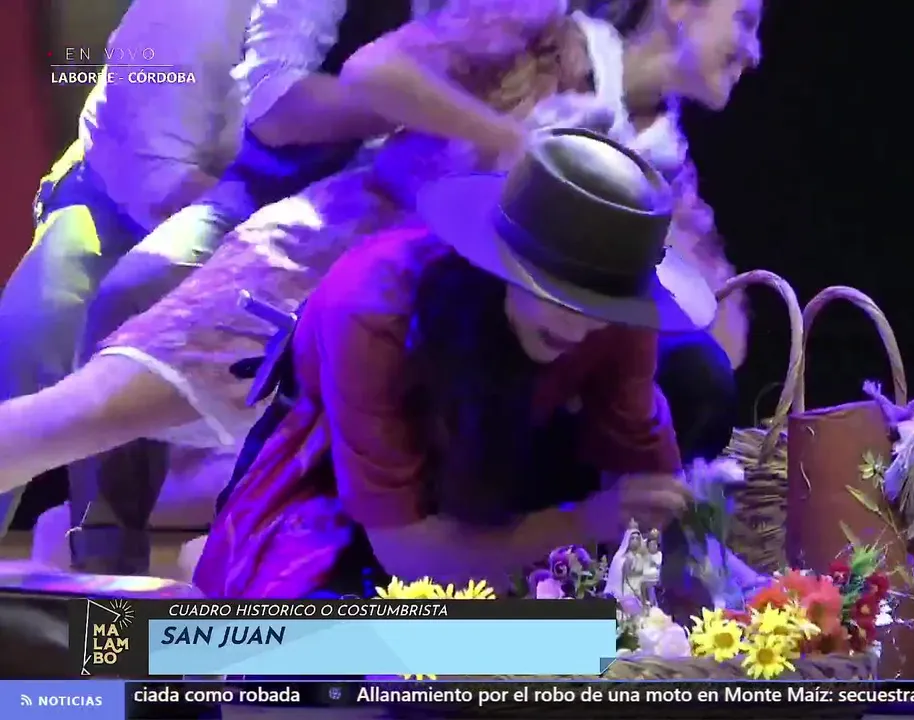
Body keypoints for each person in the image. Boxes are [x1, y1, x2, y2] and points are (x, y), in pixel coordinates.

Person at [0, 0, 762, 570]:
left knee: (321, 506)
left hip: (451, 361)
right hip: (335, 267)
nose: (753, 50)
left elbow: (725, 334)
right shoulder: (540, 28)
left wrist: (642, 247)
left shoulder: (661, 173)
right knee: (82, 414)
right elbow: (373, 73)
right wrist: (512, 143)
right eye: (746, 18)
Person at [196, 129, 715, 596]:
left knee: (698, 372)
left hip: (510, 467)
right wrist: (584, 522)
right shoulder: (374, 306)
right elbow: (407, 555)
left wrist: (668, 536)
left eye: (598, 309)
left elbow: (642, 472)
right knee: (328, 650)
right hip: (351, 495)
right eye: (558, 295)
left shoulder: (618, 310)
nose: (580, 328)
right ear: (501, 261)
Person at [0, 0, 258, 535]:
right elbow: (152, 171)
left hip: (275, 203)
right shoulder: (189, 12)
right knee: (45, 322)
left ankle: (89, 536)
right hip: (118, 187)